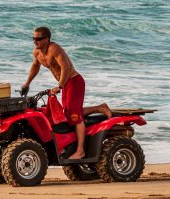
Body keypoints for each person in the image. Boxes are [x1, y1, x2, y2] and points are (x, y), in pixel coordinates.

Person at [22, 27, 112, 159]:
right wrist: (27, 83)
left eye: (38, 39)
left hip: (74, 81)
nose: (35, 41)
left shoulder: (54, 49)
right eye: (33, 39)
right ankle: (100, 108)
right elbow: (35, 66)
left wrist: (60, 85)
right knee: (68, 113)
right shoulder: (37, 52)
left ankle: (80, 150)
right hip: (64, 83)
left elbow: (66, 67)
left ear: (47, 39)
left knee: (74, 117)